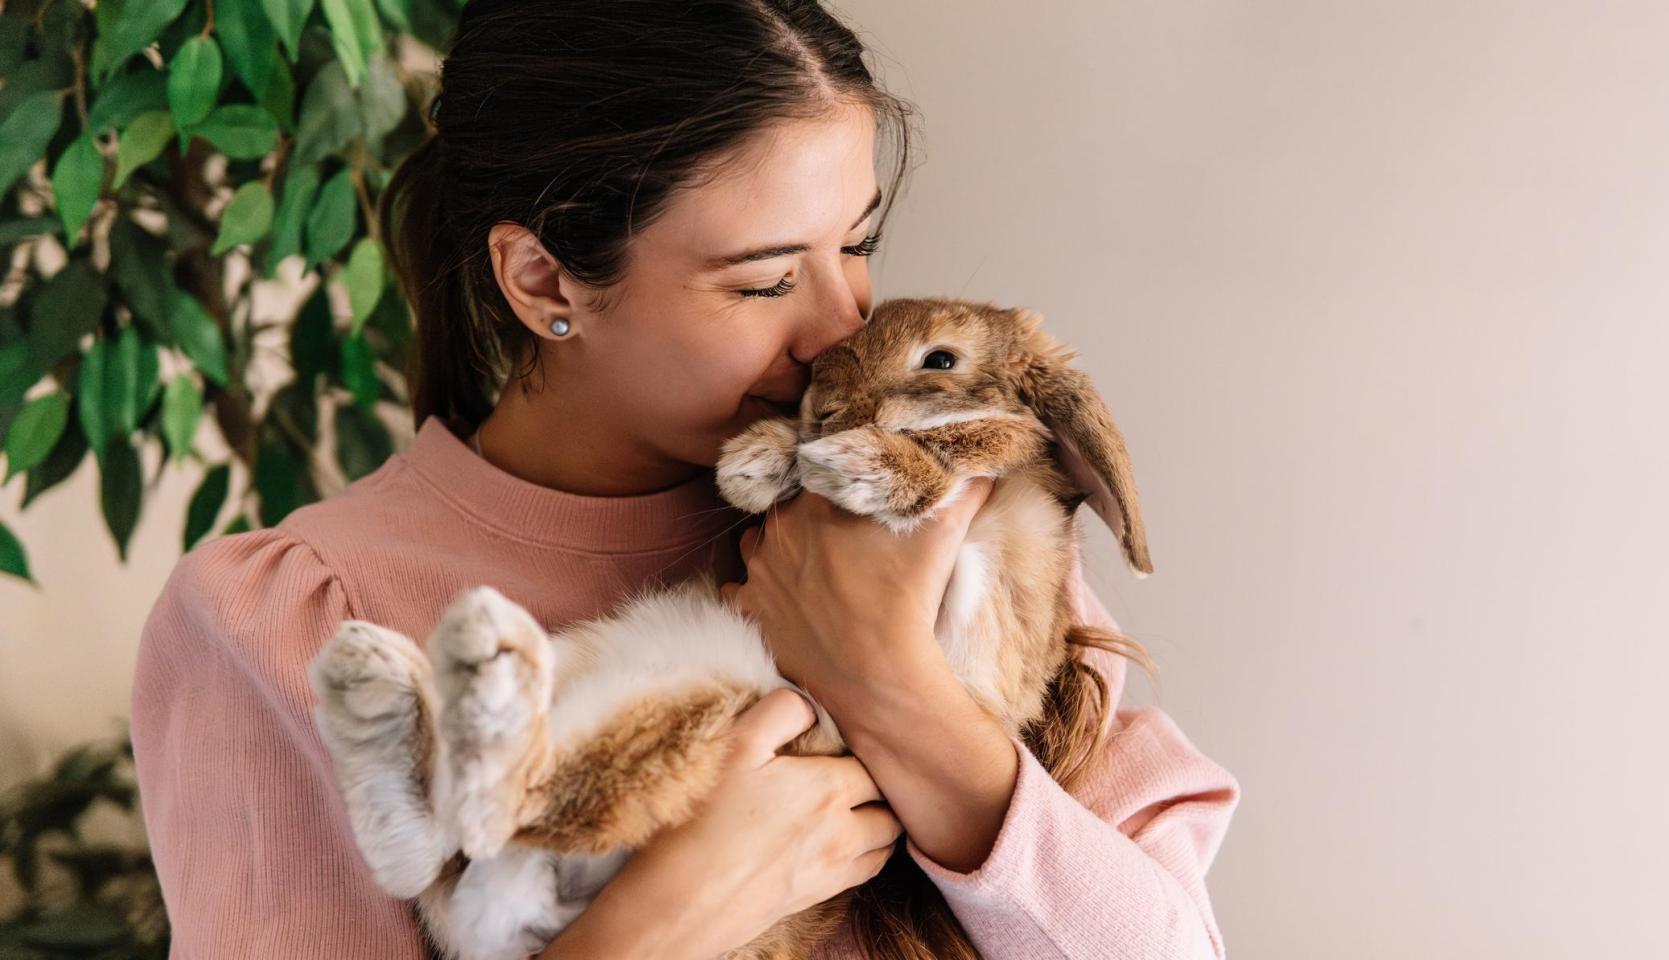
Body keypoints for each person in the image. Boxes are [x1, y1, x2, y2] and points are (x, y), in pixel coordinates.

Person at [129, 1, 1241, 957]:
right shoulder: (290, 618)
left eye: (856, 245)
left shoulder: (940, 521)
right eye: (763, 281)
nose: (843, 331)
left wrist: (895, 688)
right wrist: (669, 913)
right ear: (542, 279)